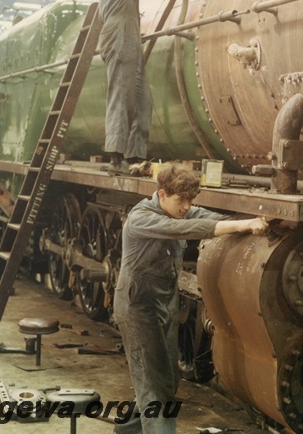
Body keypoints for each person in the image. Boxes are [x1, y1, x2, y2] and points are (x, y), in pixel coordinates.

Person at [112, 161, 268, 433]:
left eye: (190, 200)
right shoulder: (141, 218)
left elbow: (211, 218)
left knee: (167, 378)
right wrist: (244, 224)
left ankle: (128, 430)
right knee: (155, 384)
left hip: (165, 301)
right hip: (138, 304)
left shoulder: (179, 210)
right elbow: (190, 229)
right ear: (162, 195)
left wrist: (262, 222)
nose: (186, 207)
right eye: (180, 200)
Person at [98, 0, 212, 175]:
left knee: (141, 100)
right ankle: (116, 159)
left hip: (129, 35)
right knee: (121, 93)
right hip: (118, 34)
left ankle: (135, 156)